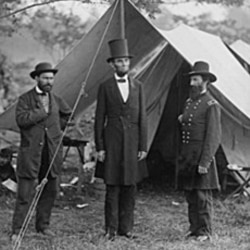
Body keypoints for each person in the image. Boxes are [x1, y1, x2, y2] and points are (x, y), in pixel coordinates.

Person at [11, 62, 72, 241]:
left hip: (51, 152)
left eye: (51, 78)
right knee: (25, 193)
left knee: (50, 190)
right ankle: (17, 229)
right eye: (45, 78)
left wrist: (56, 130)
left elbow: (68, 115)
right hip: (30, 153)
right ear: (36, 78)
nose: (48, 81)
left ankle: (42, 226)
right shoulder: (25, 99)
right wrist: (41, 112)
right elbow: (21, 120)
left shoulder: (57, 99)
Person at [94, 39, 148, 241]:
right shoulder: (105, 87)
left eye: (126, 61)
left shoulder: (139, 86)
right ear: (112, 64)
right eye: (119, 61)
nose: (124, 64)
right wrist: (100, 146)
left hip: (133, 143)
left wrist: (143, 145)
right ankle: (110, 228)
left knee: (130, 187)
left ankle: (127, 228)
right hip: (112, 142)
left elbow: (143, 117)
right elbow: (99, 118)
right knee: (112, 186)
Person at [178, 61, 221, 242]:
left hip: (202, 156)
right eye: (191, 80)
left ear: (205, 82)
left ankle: (205, 231)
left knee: (202, 196)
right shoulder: (189, 102)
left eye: (195, 80)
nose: (191, 84)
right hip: (188, 156)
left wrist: (205, 162)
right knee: (190, 194)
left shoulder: (211, 104)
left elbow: (213, 136)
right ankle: (194, 228)